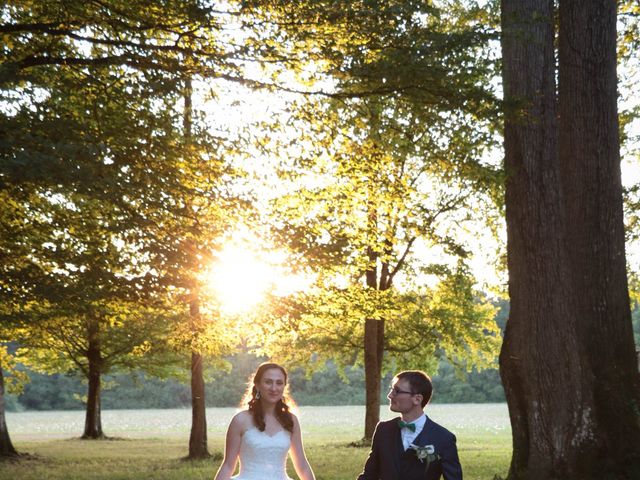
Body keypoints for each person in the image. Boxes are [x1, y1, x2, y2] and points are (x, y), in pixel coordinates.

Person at [214, 362, 315, 480]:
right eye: (268, 382)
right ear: (257, 385)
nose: (274, 388)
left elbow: (302, 464)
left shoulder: (291, 421)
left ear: (284, 386)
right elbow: (228, 465)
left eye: (279, 383)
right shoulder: (240, 420)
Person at [357, 370, 463, 480]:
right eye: (392, 390)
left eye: (397, 391)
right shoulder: (383, 430)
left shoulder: (444, 438)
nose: (389, 395)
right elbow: (369, 475)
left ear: (417, 399)